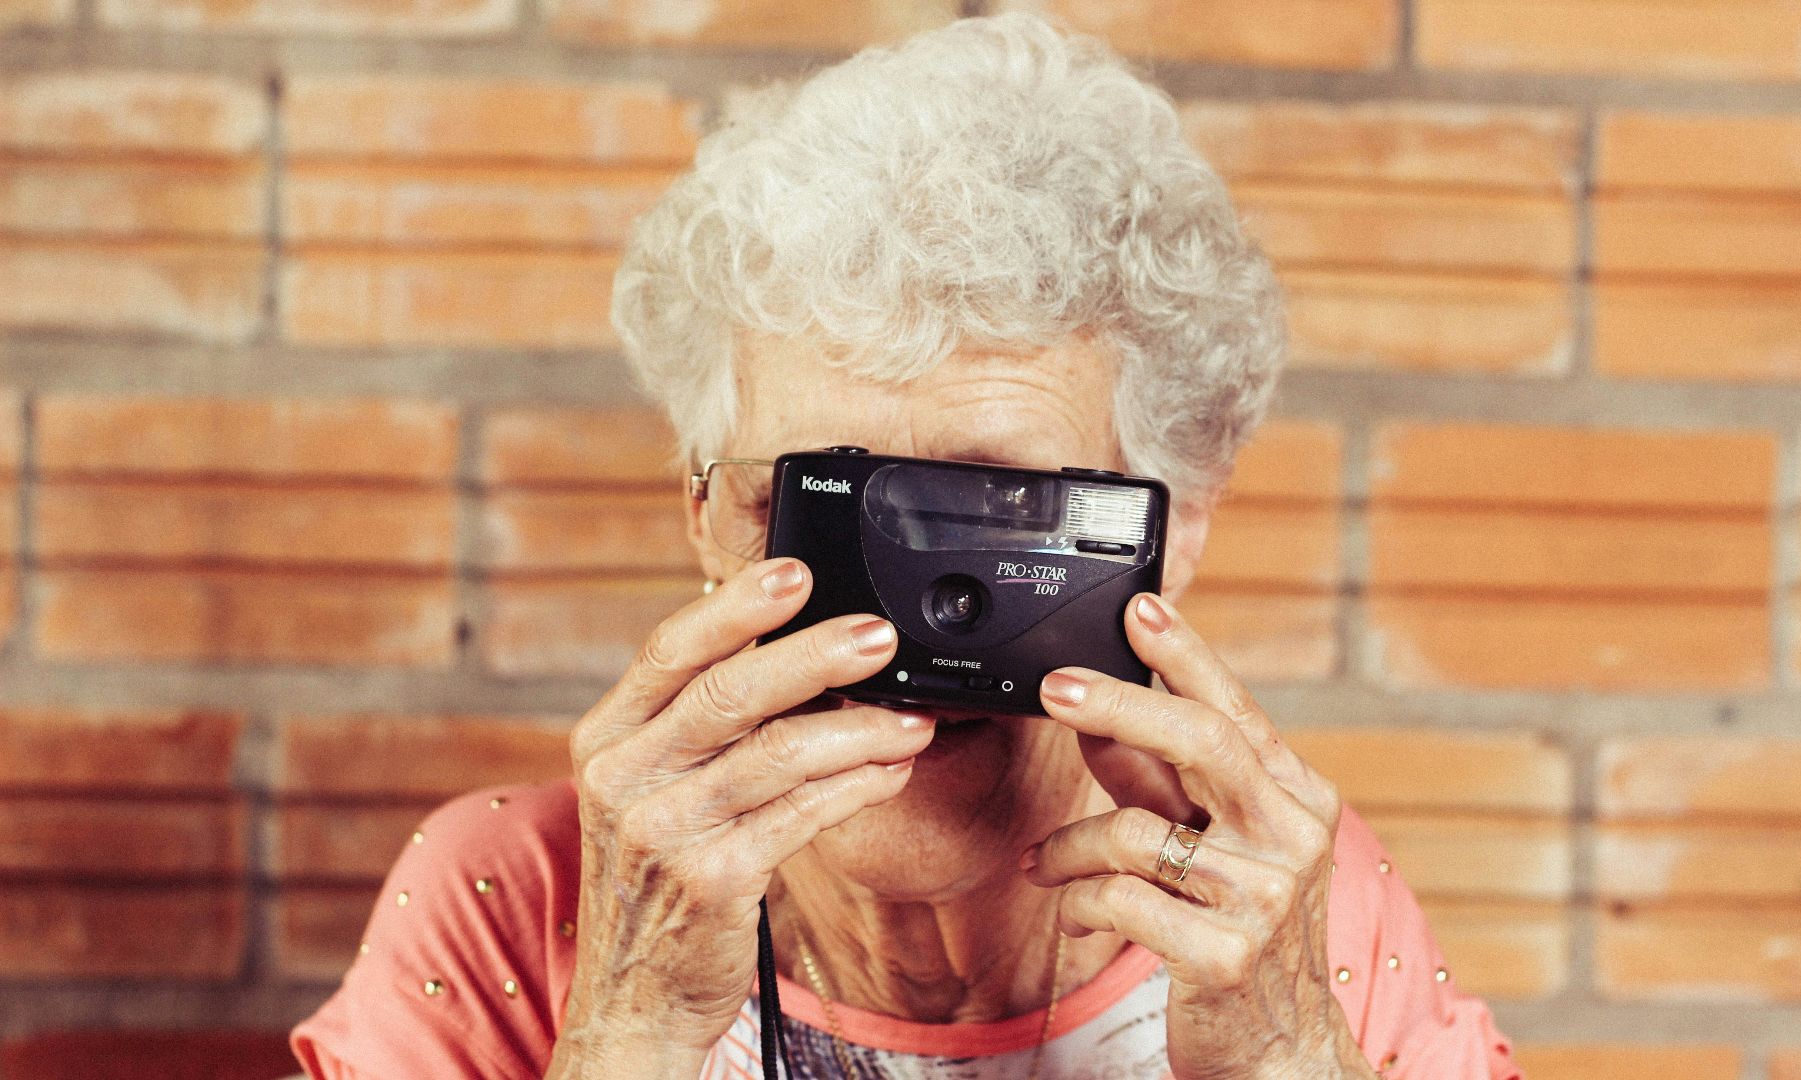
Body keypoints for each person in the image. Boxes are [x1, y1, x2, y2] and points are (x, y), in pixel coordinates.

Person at [290, 12, 1521, 1079]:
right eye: (820, 507)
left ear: (1172, 527)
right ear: (709, 522)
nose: (899, 623)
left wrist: (1286, 1056)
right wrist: (636, 1023)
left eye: (998, 512)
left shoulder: (1279, 903)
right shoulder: (516, 897)